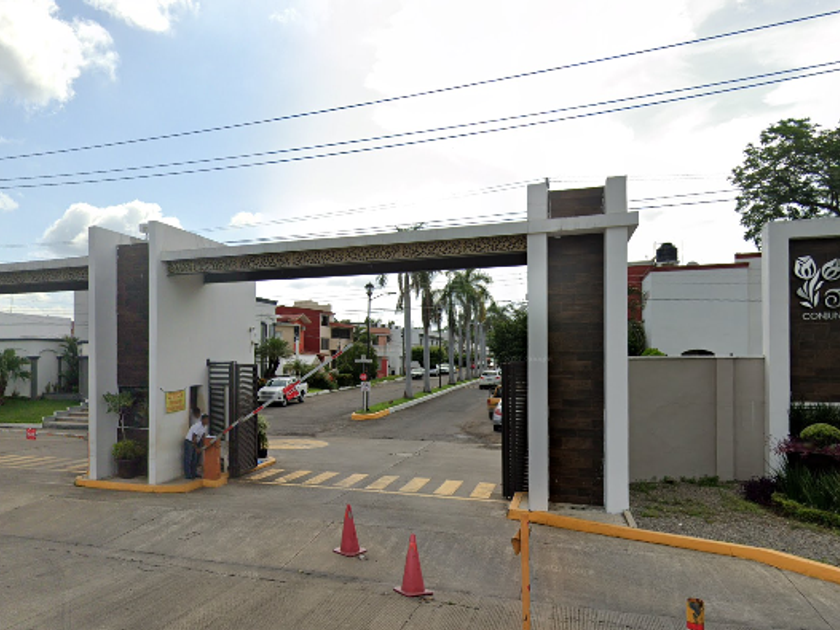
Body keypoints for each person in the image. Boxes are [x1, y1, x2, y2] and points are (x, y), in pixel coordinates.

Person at [183, 413, 209, 480]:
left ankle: (194, 473)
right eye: (206, 420)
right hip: (190, 442)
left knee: (195, 459)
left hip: (196, 442)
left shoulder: (204, 427)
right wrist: (196, 448)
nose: (207, 421)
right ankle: (188, 475)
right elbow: (193, 437)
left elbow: (202, 435)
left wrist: (204, 444)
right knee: (188, 459)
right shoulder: (197, 426)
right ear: (202, 420)